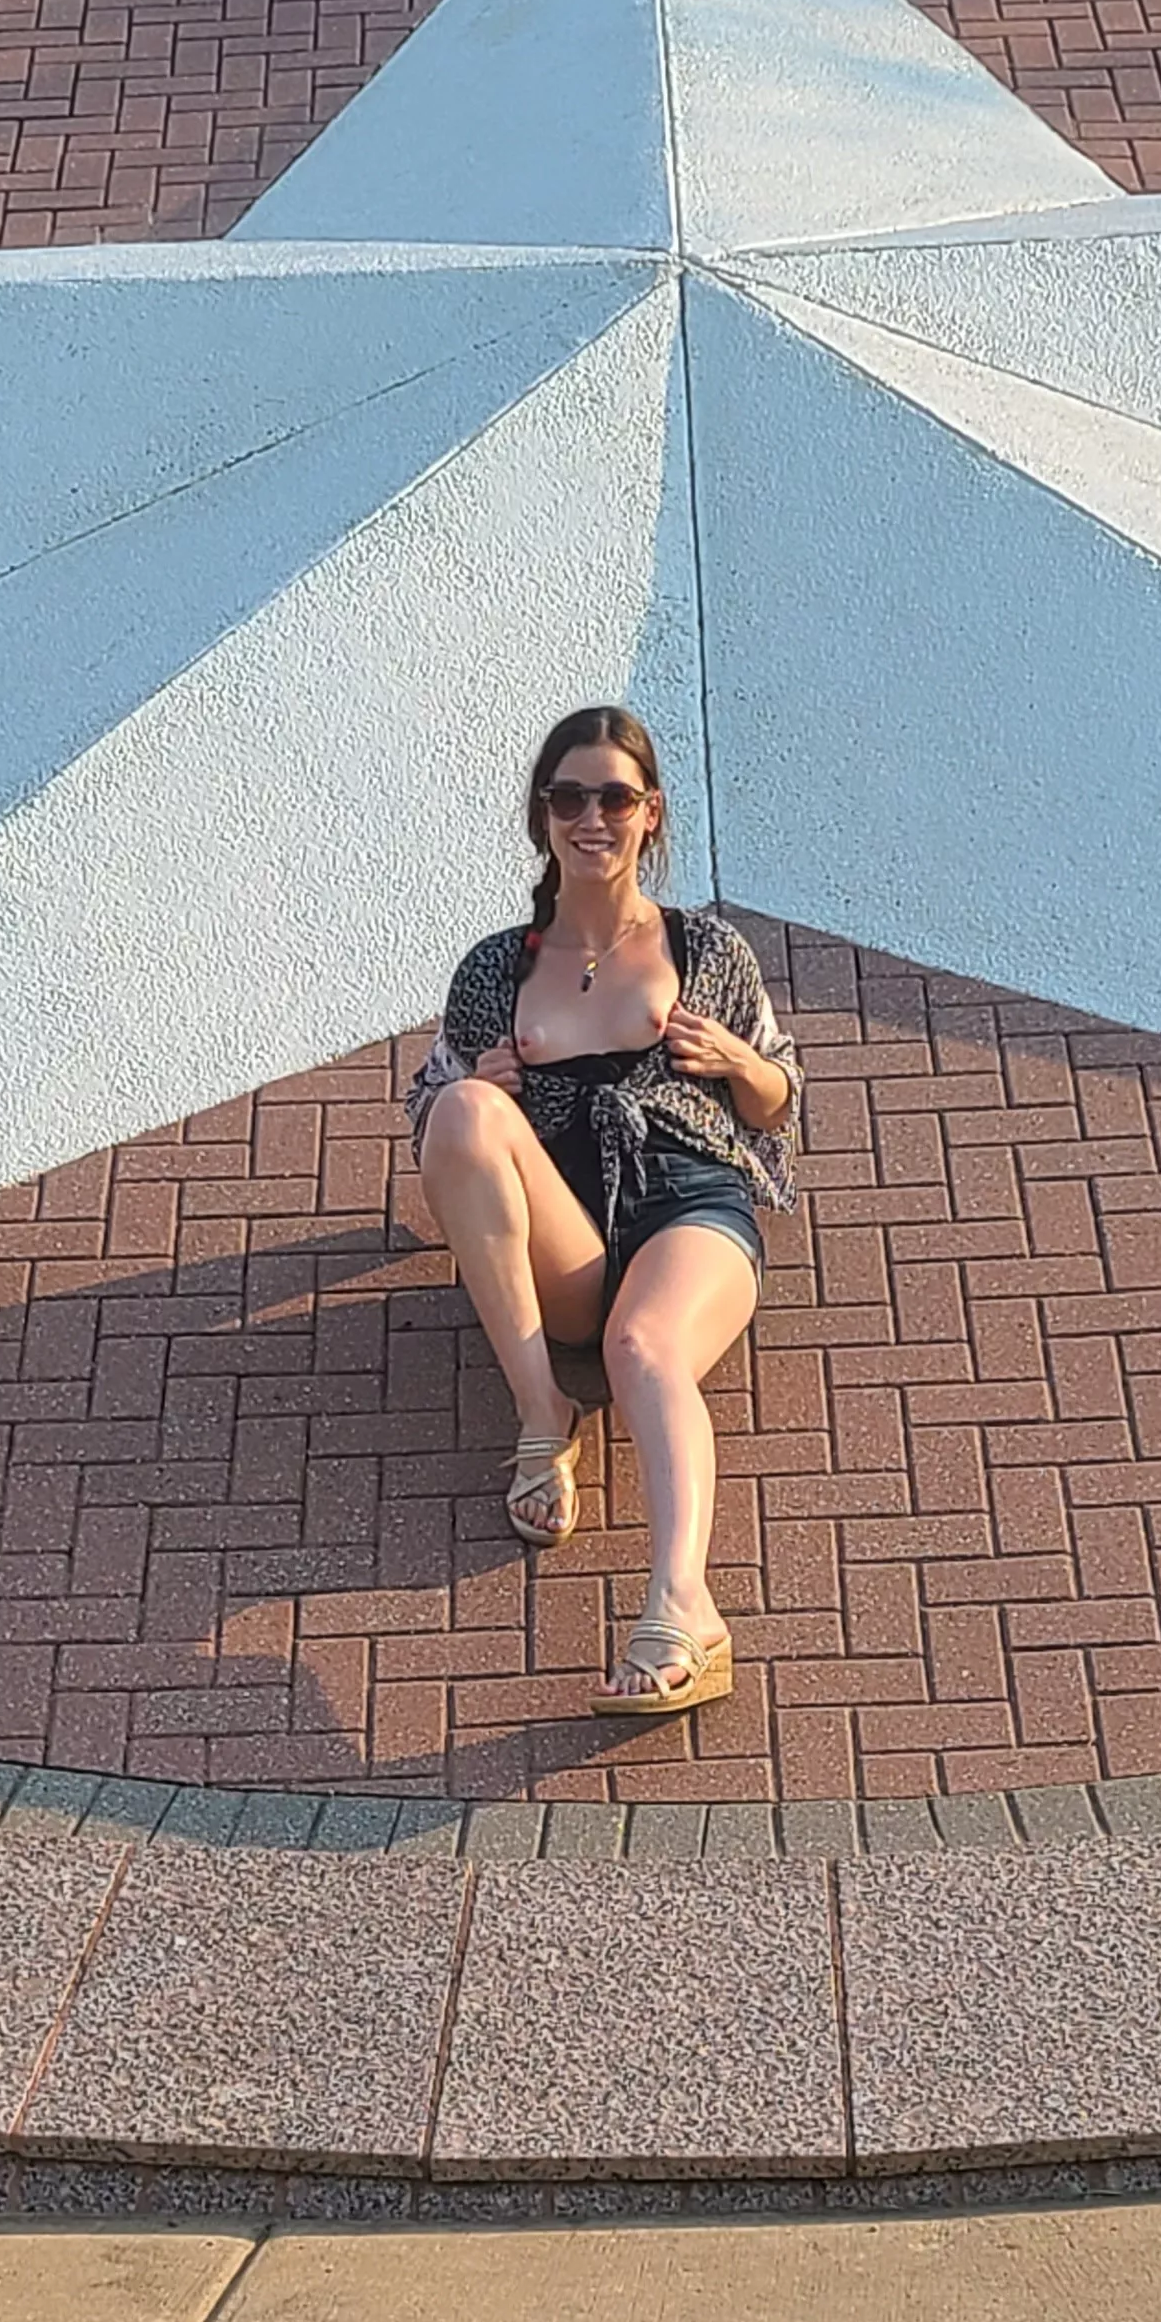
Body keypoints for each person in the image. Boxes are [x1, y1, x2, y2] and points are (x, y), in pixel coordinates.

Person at [407, 706, 802, 1715]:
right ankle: (544, 1412)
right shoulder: (497, 969)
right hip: (571, 1231)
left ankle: (683, 1607)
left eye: (614, 797)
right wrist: (488, 1085)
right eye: (569, 796)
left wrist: (740, 1065)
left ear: (650, 813)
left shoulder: (704, 948)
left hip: (688, 1208)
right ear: (544, 815)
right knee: (458, 1111)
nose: (592, 817)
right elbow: (435, 1137)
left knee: (644, 1350)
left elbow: (779, 1104)